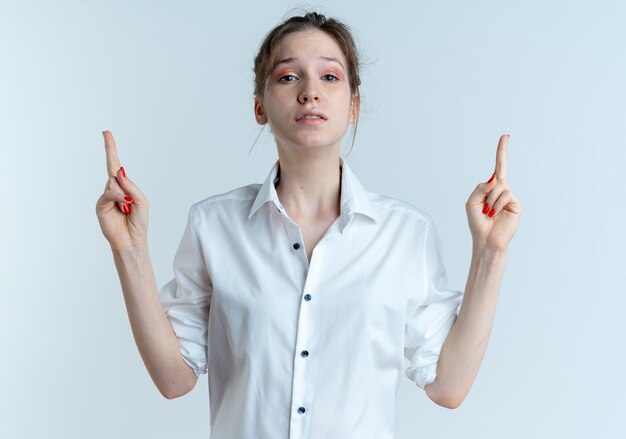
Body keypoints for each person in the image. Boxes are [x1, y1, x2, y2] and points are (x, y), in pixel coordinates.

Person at [95, 10, 522, 439]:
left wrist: (491, 253)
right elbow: (174, 380)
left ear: (354, 105)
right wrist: (129, 251)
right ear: (259, 106)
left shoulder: (406, 234)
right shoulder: (213, 225)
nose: (310, 92)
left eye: (330, 77)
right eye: (288, 77)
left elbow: (448, 387)